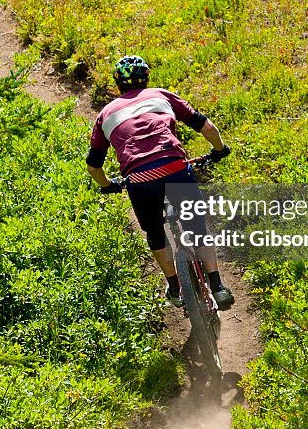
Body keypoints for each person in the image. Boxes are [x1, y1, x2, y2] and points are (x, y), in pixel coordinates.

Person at [86, 54, 235, 310]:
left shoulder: (106, 114)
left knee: (155, 233)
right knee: (197, 226)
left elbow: (93, 165)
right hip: (175, 168)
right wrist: (219, 150)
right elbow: (206, 128)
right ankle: (217, 286)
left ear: (117, 83)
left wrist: (107, 185)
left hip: (141, 180)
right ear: (146, 78)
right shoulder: (160, 95)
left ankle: (175, 286)